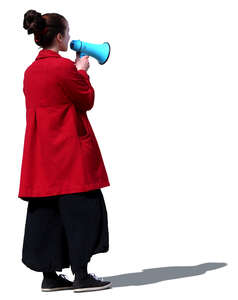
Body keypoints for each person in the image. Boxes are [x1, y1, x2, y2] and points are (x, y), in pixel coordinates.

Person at [20, 9, 112, 293]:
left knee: (46, 213)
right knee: (81, 210)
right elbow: (86, 100)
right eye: (67, 34)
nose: (69, 38)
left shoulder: (30, 71)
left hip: (41, 155)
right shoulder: (64, 69)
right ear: (59, 37)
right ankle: (81, 275)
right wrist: (81, 72)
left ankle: (49, 276)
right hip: (70, 152)